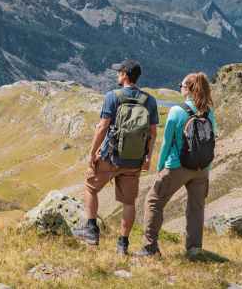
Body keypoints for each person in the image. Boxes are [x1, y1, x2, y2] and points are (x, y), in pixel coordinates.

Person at [72, 59, 159, 255]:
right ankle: (123, 244)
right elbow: (153, 133)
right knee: (128, 202)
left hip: (110, 156)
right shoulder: (150, 101)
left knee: (90, 187)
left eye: (119, 71)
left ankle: (91, 231)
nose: (117, 74)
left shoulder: (113, 96)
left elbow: (103, 127)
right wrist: (147, 158)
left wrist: (92, 153)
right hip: (134, 159)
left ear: (125, 75)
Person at [134, 71, 217, 259]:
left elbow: (166, 142)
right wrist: (207, 170)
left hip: (177, 166)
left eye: (181, 85)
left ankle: (150, 248)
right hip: (202, 168)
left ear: (188, 89)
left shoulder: (177, 111)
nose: (179, 88)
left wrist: (161, 167)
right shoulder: (209, 112)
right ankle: (194, 249)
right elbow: (212, 140)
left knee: (154, 201)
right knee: (196, 208)